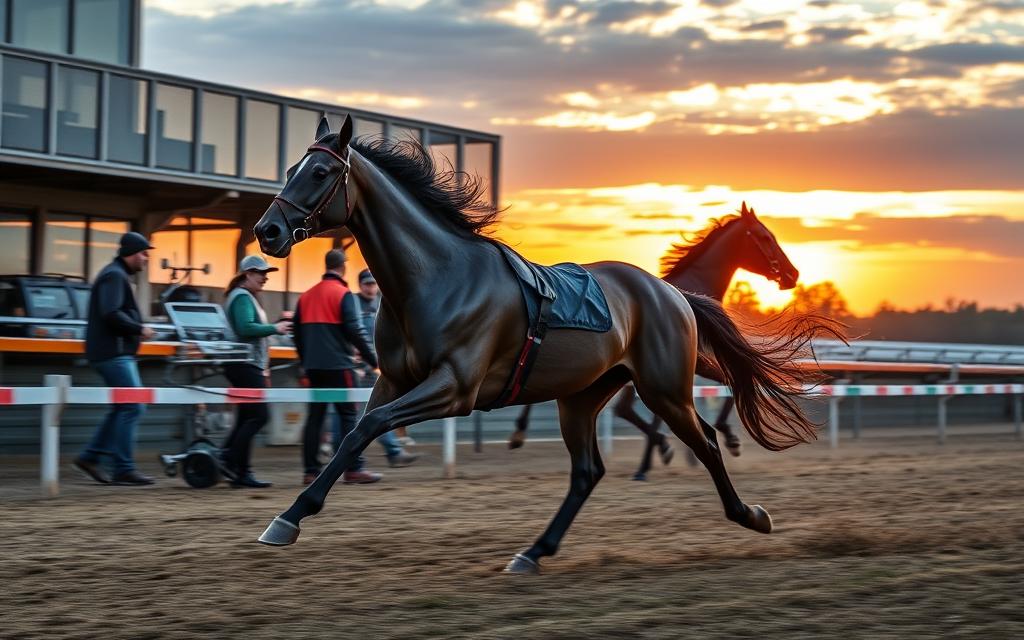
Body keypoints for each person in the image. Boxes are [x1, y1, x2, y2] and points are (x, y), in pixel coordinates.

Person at [73, 232, 157, 486]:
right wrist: (138, 329)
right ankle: (123, 467)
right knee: (133, 405)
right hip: (113, 354)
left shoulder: (115, 274)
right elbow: (111, 313)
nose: (145, 259)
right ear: (131, 253)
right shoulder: (114, 275)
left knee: (124, 406)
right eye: (144, 254)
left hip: (113, 353)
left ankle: (91, 457)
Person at [295, 249, 385, 485]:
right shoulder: (343, 294)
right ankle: (352, 468)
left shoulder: (305, 296)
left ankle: (310, 471)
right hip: (340, 367)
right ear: (343, 267)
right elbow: (355, 331)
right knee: (348, 415)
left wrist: (306, 361)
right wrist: (374, 360)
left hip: (313, 368)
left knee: (315, 417)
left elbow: (296, 333)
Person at [222, 255, 292, 488]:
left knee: (246, 416)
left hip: (245, 364)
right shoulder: (243, 297)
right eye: (261, 273)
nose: (265, 277)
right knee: (259, 416)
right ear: (247, 274)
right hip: (244, 364)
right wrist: (276, 328)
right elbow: (245, 328)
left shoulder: (243, 296)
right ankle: (235, 464)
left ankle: (231, 462)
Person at [347, 268, 419, 467]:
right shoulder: (353, 303)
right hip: (359, 367)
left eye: (372, 284)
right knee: (352, 412)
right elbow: (353, 332)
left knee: (374, 411)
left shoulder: (381, 303)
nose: (371, 288)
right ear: (360, 285)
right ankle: (390, 452)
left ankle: (392, 451)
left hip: (376, 368)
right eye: (367, 284)